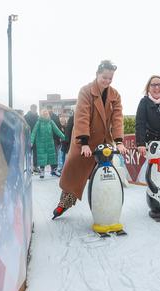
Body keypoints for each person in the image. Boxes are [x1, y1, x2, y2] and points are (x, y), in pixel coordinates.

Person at [52, 60, 127, 219]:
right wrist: (84, 143)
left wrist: (119, 141)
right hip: (84, 141)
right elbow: (82, 117)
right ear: (97, 74)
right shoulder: (86, 91)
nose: (107, 81)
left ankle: (106, 206)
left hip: (104, 143)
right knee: (74, 175)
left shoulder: (115, 95)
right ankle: (64, 203)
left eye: (110, 78)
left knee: (105, 176)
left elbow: (117, 119)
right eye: (104, 77)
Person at [31, 109, 65, 178]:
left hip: (50, 142)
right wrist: (31, 141)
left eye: (46, 113)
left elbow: (57, 130)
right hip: (41, 143)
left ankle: (54, 171)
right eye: (44, 113)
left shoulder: (51, 122)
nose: (45, 114)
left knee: (52, 157)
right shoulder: (39, 122)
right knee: (42, 157)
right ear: (41, 114)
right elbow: (34, 132)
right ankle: (42, 171)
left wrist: (64, 137)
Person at [24, 104, 39, 173]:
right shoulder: (26, 117)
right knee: (28, 153)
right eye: (33, 108)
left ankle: (35, 167)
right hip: (28, 137)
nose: (34, 110)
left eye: (35, 108)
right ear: (30, 108)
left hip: (36, 137)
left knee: (36, 153)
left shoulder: (38, 117)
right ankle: (28, 167)